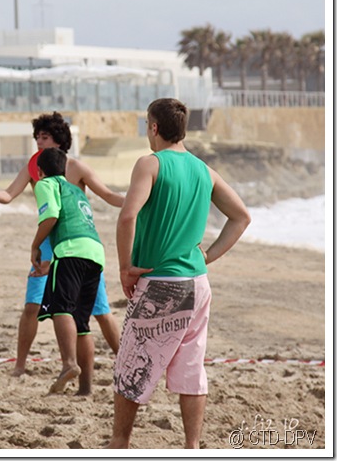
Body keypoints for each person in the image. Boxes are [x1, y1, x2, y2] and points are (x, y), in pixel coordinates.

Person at [106, 98, 250, 449]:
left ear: (154, 127)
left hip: (161, 284)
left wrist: (125, 268)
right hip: (197, 283)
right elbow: (241, 217)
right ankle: (192, 447)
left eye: (146, 124)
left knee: (132, 365)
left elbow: (127, 216)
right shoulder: (204, 170)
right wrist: (208, 256)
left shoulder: (150, 163)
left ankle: (119, 443)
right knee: (191, 368)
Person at [0, 112, 125, 382]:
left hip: (78, 242)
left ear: (58, 140)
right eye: (36, 138)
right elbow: (10, 194)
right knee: (32, 306)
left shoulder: (77, 167)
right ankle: (20, 365)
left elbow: (107, 195)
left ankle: (124, 362)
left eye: (44, 137)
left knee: (101, 311)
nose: (38, 142)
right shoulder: (34, 167)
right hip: (49, 243)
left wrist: (135, 201)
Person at [30, 148, 106, 395]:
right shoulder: (75, 189)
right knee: (82, 323)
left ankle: (69, 364)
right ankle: (85, 389)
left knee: (60, 308)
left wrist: (35, 245)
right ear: (65, 170)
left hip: (70, 250)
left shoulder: (45, 184)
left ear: (40, 172)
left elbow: (51, 215)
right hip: (95, 253)